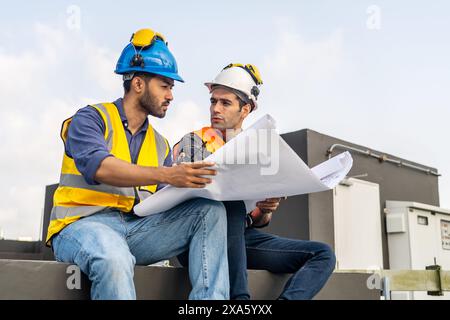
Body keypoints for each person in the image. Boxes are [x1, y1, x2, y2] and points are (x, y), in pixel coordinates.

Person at [46, 28, 230, 300]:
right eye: (165, 86)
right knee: (113, 256)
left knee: (209, 211)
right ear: (139, 84)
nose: (171, 96)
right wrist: (169, 173)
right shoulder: (90, 119)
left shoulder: (160, 144)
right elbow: (100, 167)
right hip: (80, 226)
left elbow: (168, 197)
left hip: (134, 230)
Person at [174, 63, 336, 300]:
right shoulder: (193, 142)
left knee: (323, 254)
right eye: (213, 101)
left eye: (225, 102)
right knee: (231, 205)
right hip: (199, 240)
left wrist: (266, 210)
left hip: (240, 238)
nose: (215, 108)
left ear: (246, 109)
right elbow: (184, 199)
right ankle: (241, 300)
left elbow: (258, 219)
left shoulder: (258, 151)